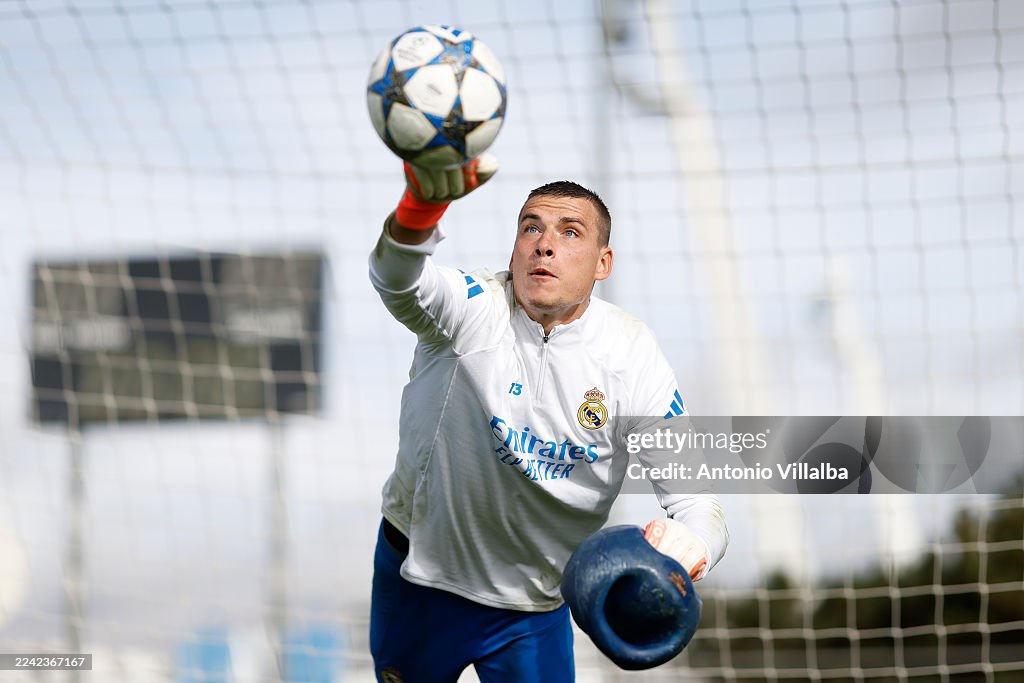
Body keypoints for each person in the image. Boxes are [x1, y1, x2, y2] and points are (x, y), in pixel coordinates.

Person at [368, 155, 728, 682]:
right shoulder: (471, 308)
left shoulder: (632, 355)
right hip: (420, 578)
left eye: (570, 231)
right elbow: (396, 278)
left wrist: (690, 547)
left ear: (603, 263)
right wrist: (421, 203)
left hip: (534, 605)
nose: (544, 242)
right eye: (531, 227)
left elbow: (698, 503)